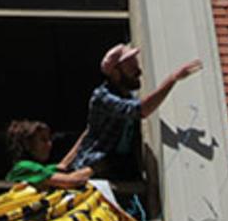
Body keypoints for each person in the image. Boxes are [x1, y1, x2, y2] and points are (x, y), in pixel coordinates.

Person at [59, 43, 202, 179]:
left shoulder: (128, 97)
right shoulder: (103, 96)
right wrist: (172, 79)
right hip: (95, 171)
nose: (138, 71)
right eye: (131, 67)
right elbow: (141, 110)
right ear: (116, 73)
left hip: (119, 171)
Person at [3, 119, 93, 190]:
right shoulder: (25, 167)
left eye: (49, 139)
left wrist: (88, 133)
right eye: (43, 140)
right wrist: (93, 169)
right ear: (27, 144)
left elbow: (64, 165)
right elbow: (71, 181)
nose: (49, 144)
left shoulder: (42, 169)